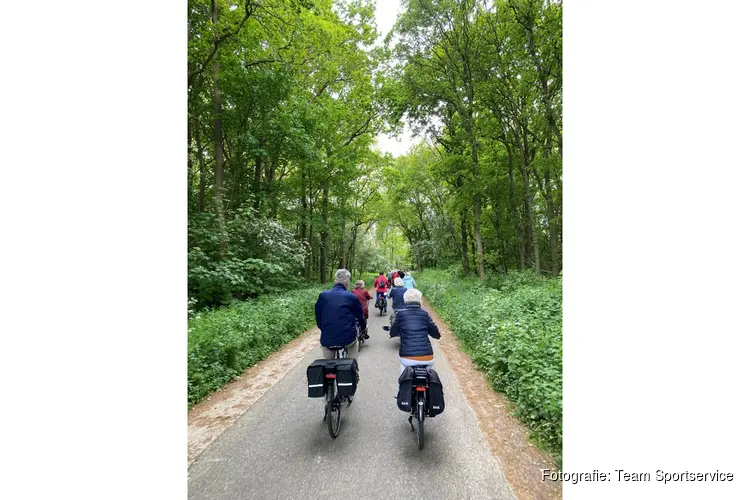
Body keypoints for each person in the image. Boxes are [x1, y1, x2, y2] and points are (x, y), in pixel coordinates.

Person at [390, 289, 440, 383]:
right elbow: (435, 333)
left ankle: (403, 392)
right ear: (419, 300)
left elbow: (394, 330)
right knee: (429, 378)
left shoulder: (400, 314)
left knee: (403, 378)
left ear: (405, 300)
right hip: (427, 357)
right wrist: (437, 335)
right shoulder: (425, 314)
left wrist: (393, 333)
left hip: (407, 358)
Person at [315, 269, 365, 361]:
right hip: (348, 338)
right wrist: (363, 327)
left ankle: (328, 370)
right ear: (346, 282)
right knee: (353, 345)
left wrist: (324, 329)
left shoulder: (323, 296)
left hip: (327, 337)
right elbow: (360, 316)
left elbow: (318, 317)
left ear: (335, 281)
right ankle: (353, 370)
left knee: (328, 363)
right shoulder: (351, 297)